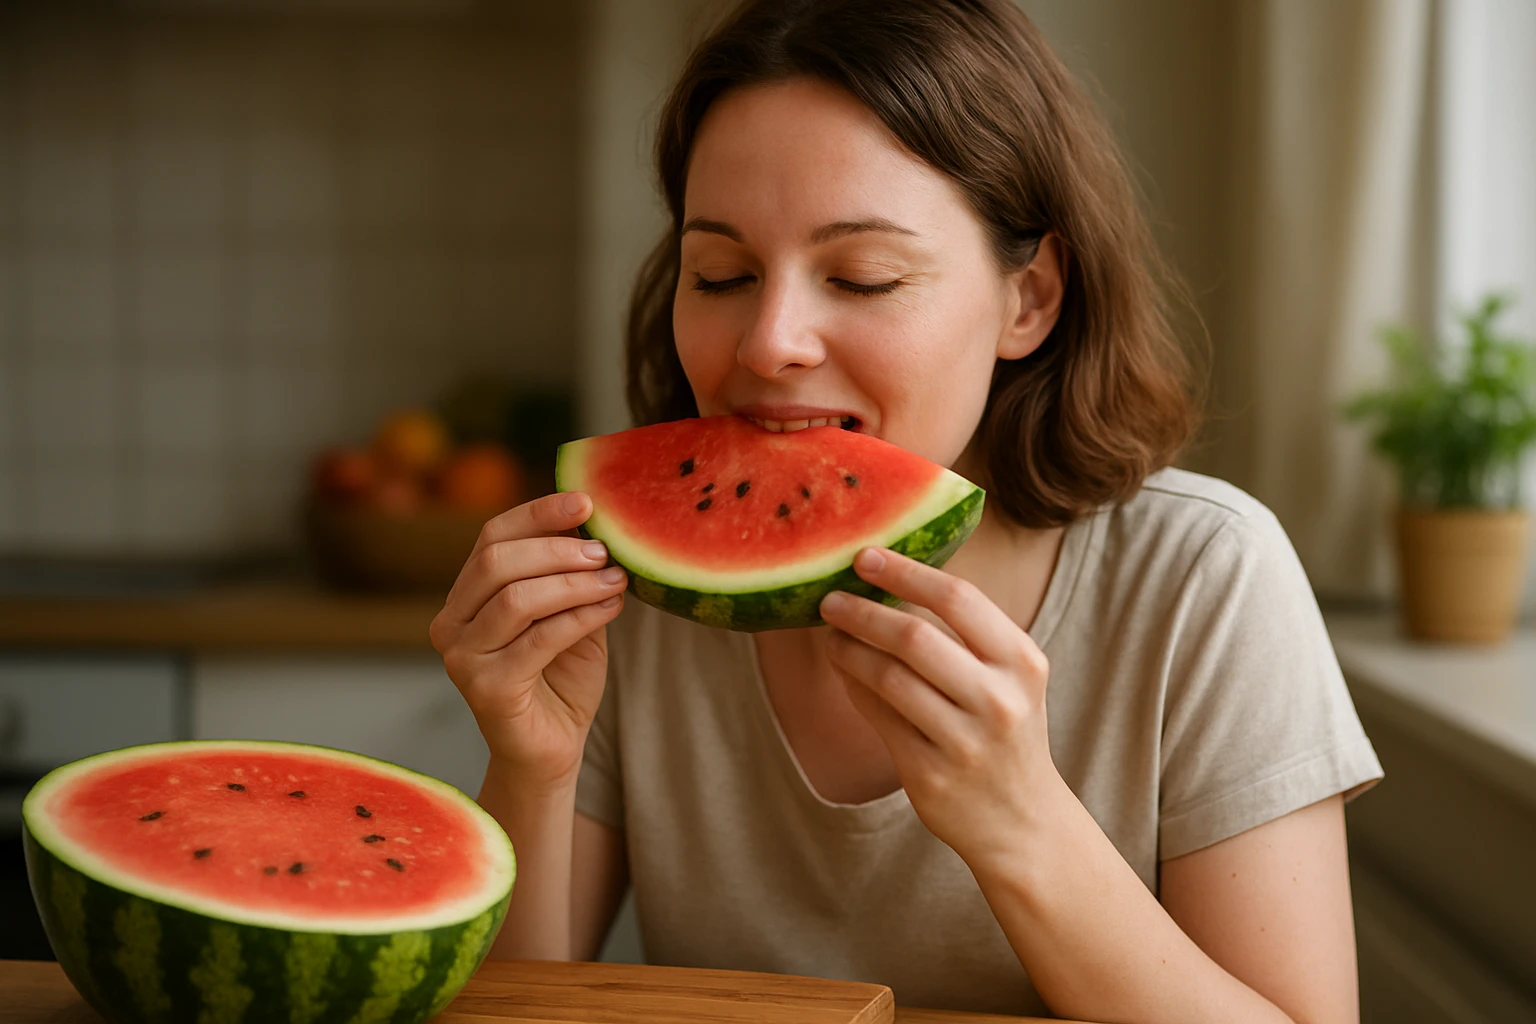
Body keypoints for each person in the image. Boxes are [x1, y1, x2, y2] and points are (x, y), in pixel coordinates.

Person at [430, 1, 1382, 1020]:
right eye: (722, 273)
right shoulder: (645, 596)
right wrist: (531, 762)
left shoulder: (1203, 580)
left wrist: (1020, 823)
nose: (770, 342)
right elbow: (520, 1006)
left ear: (1031, 300)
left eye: (863, 276)